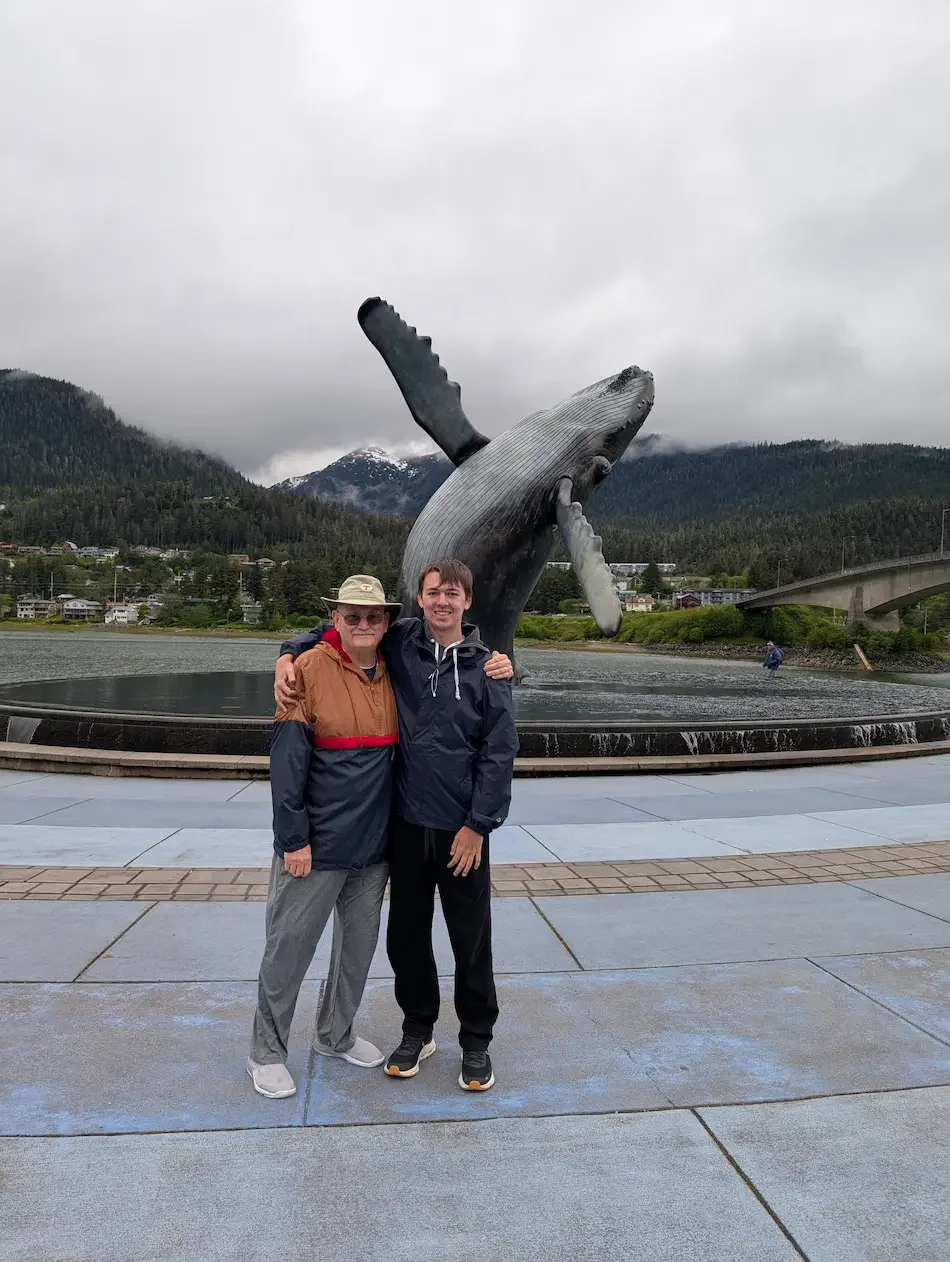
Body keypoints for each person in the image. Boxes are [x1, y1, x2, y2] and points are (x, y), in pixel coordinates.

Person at [275, 557, 518, 1092]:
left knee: (470, 939)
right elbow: (340, 629)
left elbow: (499, 753)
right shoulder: (401, 642)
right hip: (405, 824)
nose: (441, 602)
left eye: (451, 593)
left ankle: (476, 1042)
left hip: (461, 832)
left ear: (467, 601)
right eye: (433, 593)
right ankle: (417, 1030)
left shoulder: (489, 669)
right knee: (406, 937)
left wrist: (479, 825)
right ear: (420, 599)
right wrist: (287, 655)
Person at [247, 574, 401, 1099]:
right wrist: (293, 840)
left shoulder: (394, 664)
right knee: (288, 950)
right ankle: (266, 1053)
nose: (363, 624)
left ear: (386, 621)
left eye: (373, 616)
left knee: (356, 952)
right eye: (351, 615)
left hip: (374, 847)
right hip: (315, 847)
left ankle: (336, 1035)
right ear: (335, 618)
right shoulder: (306, 670)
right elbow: (287, 764)